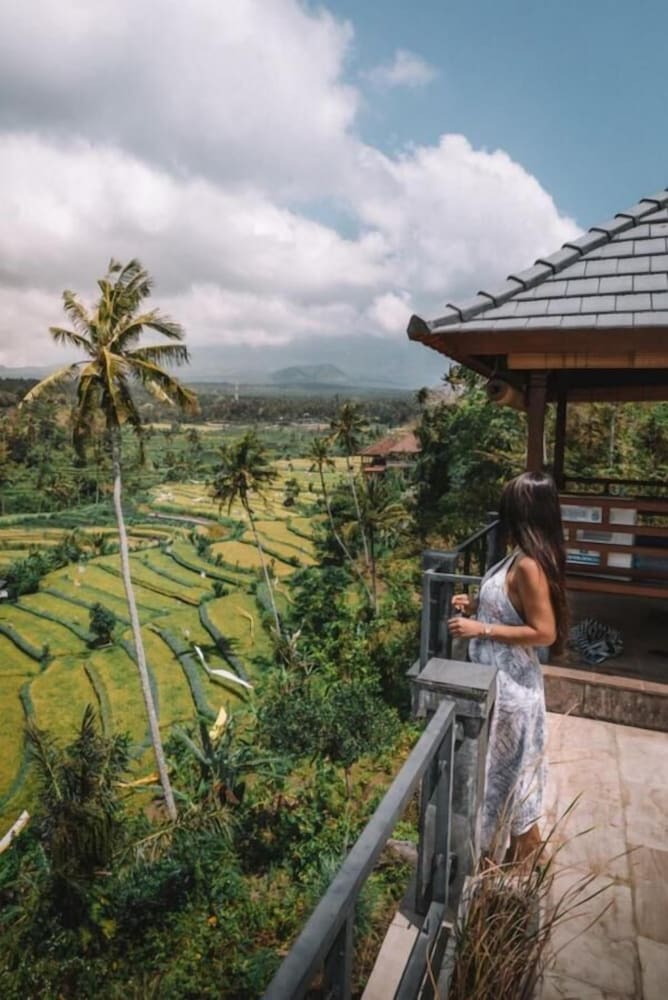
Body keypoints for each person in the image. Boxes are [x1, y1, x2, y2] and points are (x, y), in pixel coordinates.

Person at [448, 471, 567, 865]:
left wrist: (480, 627)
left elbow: (544, 632)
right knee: (505, 781)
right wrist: (477, 606)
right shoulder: (516, 558)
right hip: (498, 687)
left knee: (509, 783)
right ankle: (510, 863)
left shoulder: (530, 566)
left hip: (511, 693)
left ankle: (519, 866)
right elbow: (512, 611)